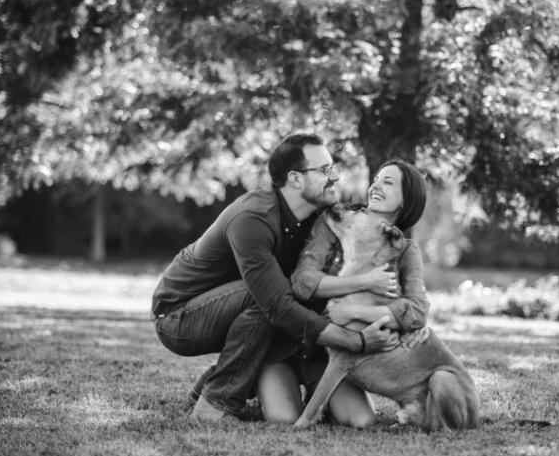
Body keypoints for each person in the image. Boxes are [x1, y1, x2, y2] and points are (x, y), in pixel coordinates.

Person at [150, 133, 400, 422]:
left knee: (287, 298)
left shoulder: (318, 215)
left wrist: (404, 317)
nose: (336, 177)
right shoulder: (253, 218)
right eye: (324, 170)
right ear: (295, 179)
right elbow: (277, 306)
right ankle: (215, 405)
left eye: (333, 168)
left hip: (242, 309)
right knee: (268, 300)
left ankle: (215, 383)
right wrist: (355, 341)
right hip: (178, 317)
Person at [255, 158, 431, 428]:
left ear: (406, 201)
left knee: (362, 420)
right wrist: (364, 282)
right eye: (376, 180)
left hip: (335, 357)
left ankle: (318, 393)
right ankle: (250, 378)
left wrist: (400, 321)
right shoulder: (337, 221)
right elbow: (302, 281)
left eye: (388, 182)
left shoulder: (405, 249)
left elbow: (416, 310)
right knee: (283, 418)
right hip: (292, 342)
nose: (376, 186)